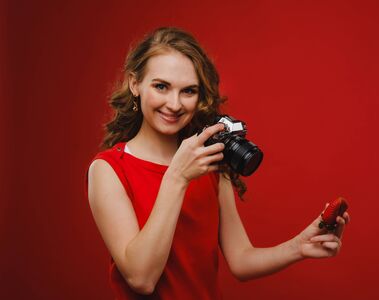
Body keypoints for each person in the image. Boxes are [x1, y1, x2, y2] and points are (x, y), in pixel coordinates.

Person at [85, 26, 350, 299]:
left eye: (188, 91)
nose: (174, 104)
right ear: (134, 84)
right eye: (161, 86)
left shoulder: (210, 162)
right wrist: (177, 177)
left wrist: (299, 247)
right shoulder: (108, 170)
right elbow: (141, 278)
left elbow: (241, 260)